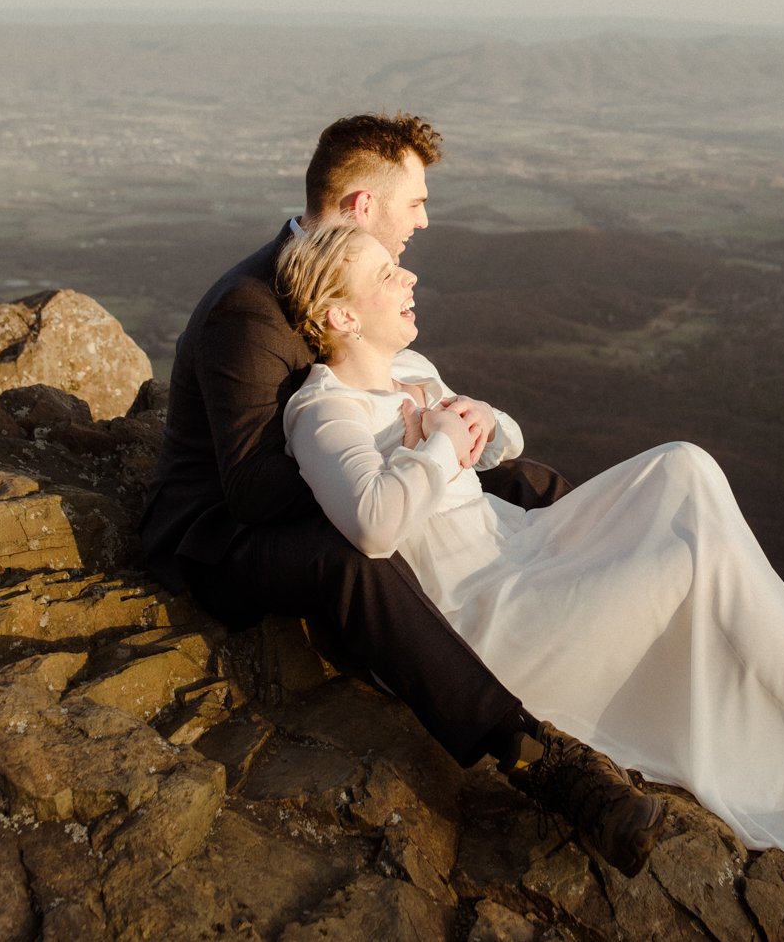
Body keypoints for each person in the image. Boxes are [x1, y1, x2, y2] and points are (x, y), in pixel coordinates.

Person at [273, 221, 784, 870]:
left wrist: (478, 420)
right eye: (385, 275)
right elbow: (371, 523)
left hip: (527, 544)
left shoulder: (414, 371)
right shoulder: (322, 411)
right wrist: (435, 449)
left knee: (684, 463)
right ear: (341, 314)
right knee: (692, 559)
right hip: (493, 613)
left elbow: (504, 440)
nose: (410, 276)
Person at [141, 114, 672, 875]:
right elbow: (251, 487)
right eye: (415, 202)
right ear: (362, 205)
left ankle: (666, 574)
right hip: (214, 534)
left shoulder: (343, 276)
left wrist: (440, 445)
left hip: (338, 474)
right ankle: (534, 757)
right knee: (353, 556)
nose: (423, 219)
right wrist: (402, 455)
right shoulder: (248, 309)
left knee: (522, 477)